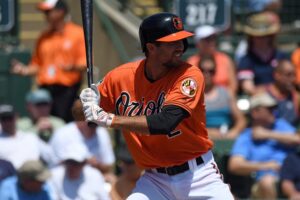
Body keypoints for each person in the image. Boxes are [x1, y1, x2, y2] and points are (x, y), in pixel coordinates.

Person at [79, 12, 234, 199]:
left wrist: (110, 119)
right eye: (172, 43)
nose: (180, 47)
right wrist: (87, 102)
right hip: (155, 180)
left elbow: (165, 122)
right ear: (151, 47)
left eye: (182, 41)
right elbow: (81, 114)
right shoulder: (120, 77)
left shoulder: (189, 75)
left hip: (199, 176)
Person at [11, 0, 86, 122]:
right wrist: (23, 70)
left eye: (48, 12)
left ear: (60, 12)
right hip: (45, 89)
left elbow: (85, 63)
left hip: (66, 91)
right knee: (43, 124)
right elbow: (37, 65)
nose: (45, 15)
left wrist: (71, 67)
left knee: (62, 124)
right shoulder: (43, 37)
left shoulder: (77, 33)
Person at [228, 92, 299, 199]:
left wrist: (268, 134)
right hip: (264, 181)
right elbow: (235, 165)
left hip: (293, 175)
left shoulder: (281, 125)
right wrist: (266, 165)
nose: (274, 112)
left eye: (274, 109)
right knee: (267, 182)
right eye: (269, 109)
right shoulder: (246, 137)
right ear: (255, 112)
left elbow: (298, 138)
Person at [49, 99, 116, 183]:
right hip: (66, 180)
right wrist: (81, 163)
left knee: (112, 179)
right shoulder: (62, 134)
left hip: (93, 179)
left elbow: (108, 167)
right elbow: (54, 166)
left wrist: (97, 165)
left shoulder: (102, 133)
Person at [237, 11, 288, 96]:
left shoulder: (281, 56)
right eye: (258, 36)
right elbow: (248, 87)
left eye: (265, 36)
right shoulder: (246, 60)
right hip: (259, 101)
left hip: (282, 99)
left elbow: (288, 81)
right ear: (252, 37)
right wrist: (269, 91)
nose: (262, 39)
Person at [199, 56, 246, 139]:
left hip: (226, 135)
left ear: (215, 72)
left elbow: (241, 120)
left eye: (211, 71)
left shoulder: (227, 93)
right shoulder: (194, 95)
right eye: (203, 70)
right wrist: (207, 132)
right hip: (202, 138)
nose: (207, 74)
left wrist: (234, 132)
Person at [186, 25, 237, 94]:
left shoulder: (225, 59)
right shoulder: (191, 63)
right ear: (198, 43)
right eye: (207, 39)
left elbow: (233, 85)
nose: (212, 42)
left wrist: (223, 99)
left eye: (213, 38)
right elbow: (188, 88)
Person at [0, 104, 54, 169]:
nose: (7, 122)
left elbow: (51, 157)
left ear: (16, 117)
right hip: (8, 176)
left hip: (33, 175)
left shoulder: (30, 137)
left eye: (10, 118)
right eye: (4, 119)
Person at [264, 59, 300, 127]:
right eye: (288, 75)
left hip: (290, 136)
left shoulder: (296, 97)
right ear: (277, 75)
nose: (293, 79)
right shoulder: (262, 94)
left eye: (294, 75)